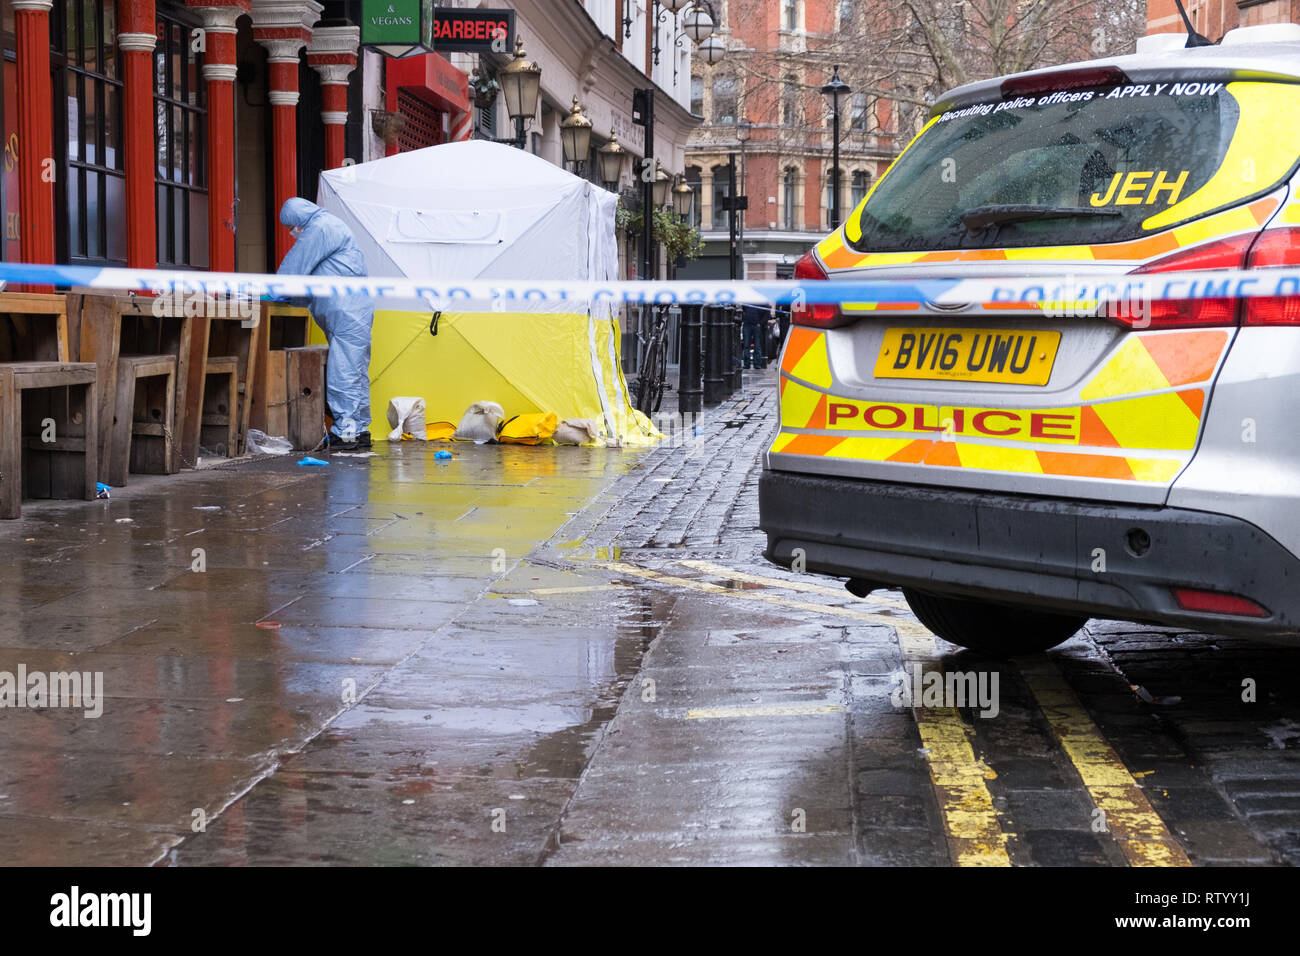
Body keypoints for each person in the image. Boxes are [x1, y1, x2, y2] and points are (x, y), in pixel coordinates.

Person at [277, 197, 374, 451]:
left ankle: (347, 433)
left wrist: (273, 290)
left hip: (346, 311)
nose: (293, 232)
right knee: (355, 371)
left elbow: (296, 266)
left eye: (292, 226)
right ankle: (358, 429)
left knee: (344, 372)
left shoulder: (320, 228)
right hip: (353, 309)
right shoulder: (330, 226)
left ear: (299, 220)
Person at [741, 302, 770, 370]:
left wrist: (760, 323)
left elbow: (767, 312)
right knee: (746, 345)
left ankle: (757, 364)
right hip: (747, 324)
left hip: (756, 325)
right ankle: (747, 364)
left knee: (757, 345)